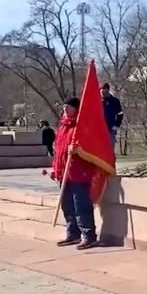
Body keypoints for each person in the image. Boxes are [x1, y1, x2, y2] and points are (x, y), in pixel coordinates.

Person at [52, 98, 99, 250]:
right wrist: (55, 168)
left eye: (69, 107)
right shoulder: (62, 127)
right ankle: (73, 233)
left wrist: (79, 150)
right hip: (64, 174)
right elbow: (58, 151)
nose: (65, 110)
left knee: (81, 206)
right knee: (67, 206)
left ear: (76, 109)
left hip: (79, 174)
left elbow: (91, 147)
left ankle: (88, 235)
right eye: (64, 107)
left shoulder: (81, 127)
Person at [101, 83, 124, 148]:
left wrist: (117, 125)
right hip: (99, 129)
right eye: (101, 91)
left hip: (110, 130)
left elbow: (120, 114)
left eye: (104, 91)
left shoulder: (115, 101)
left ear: (108, 90)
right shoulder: (98, 101)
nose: (102, 93)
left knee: (110, 150)